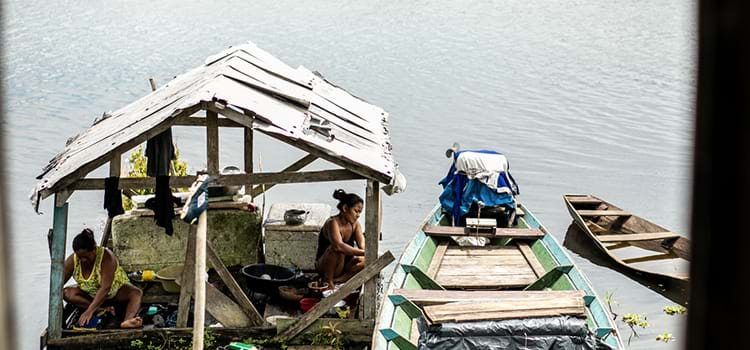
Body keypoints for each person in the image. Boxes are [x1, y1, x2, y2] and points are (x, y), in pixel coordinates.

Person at [62, 228, 143, 328]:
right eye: (80, 257)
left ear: (94, 250)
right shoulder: (73, 260)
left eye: (86, 257)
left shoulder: (106, 257)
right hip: (91, 296)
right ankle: (102, 309)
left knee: (136, 293)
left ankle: (127, 320)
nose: (83, 260)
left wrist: (89, 311)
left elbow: (105, 288)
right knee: (66, 292)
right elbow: (57, 284)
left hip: (114, 293)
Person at [316, 189, 366, 288]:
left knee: (366, 260)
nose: (358, 215)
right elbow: (338, 246)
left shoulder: (355, 225)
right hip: (326, 266)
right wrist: (364, 252)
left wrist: (368, 253)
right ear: (345, 208)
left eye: (360, 212)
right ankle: (328, 281)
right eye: (356, 211)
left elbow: (362, 245)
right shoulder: (332, 222)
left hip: (344, 267)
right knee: (336, 250)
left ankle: (337, 280)